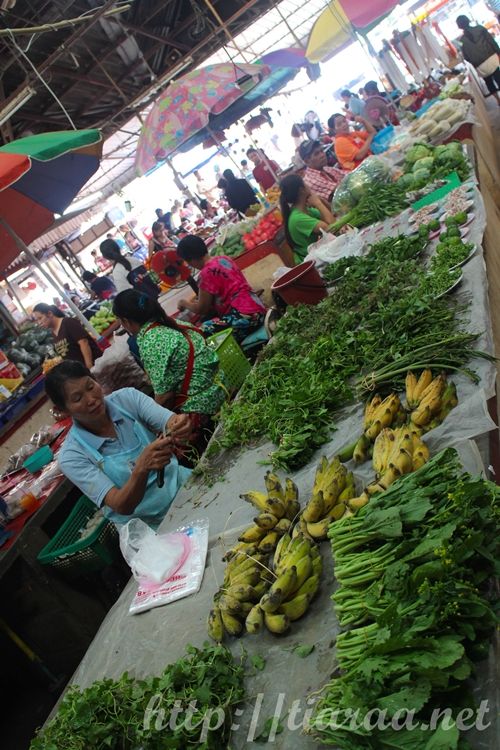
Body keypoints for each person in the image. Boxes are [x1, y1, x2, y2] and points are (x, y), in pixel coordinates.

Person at [46, 361, 192, 528]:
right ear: (63, 410)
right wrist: (141, 469)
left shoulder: (127, 399)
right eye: (78, 398)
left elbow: (170, 421)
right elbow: (122, 505)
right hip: (147, 528)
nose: (91, 399)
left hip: (183, 488)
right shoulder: (72, 456)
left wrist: (179, 425)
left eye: (90, 386)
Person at [113, 290, 226, 445]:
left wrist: (149, 425)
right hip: (221, 386)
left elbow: (165, 396)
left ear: (126, 321)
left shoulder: (150, 341)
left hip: (204, 405)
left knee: (164, 447)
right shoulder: (172, 323)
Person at [176, 235, 266, 340]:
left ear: (190, 259)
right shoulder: (223, 259)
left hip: (246, 318)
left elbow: (202, 309)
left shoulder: (205, 274)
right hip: (258, 308)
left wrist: (184, 303)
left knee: (202, 330)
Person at [279, 174, 335, 264]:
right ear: (301, 190)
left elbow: (332, 215)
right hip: (314, 263)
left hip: (321, 253)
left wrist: (321, 201)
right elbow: (333, 227)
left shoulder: (306, 210)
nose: (308, 185)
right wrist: (318, 204)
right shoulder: (298, 219)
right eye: (305, 183)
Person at [33, 303, 102, 368]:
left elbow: (84, 342)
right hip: (81, 370)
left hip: (96, 365)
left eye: (40, 318)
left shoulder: (68, 322)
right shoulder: (53, 334)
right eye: (37, 320)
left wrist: (89, 365)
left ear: (50, 314)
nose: (39, 323)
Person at [456, 15, 500, 104]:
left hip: (480, 65)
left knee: (489, 82)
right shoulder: (480, 28)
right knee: (498, 77)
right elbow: (491, 41)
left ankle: (498, 100)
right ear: (468, 20)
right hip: (492, 58)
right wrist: (498, 52)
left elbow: (466, 58)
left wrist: (475, 64)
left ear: (459, 27)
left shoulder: (461, 41)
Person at [299, 140, 345, 204]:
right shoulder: (310, 180)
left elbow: (348, 175)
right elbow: (341, 189)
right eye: (316, 154)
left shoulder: (326, 169)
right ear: (307, 161)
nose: (322, 155)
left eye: (322, 151)